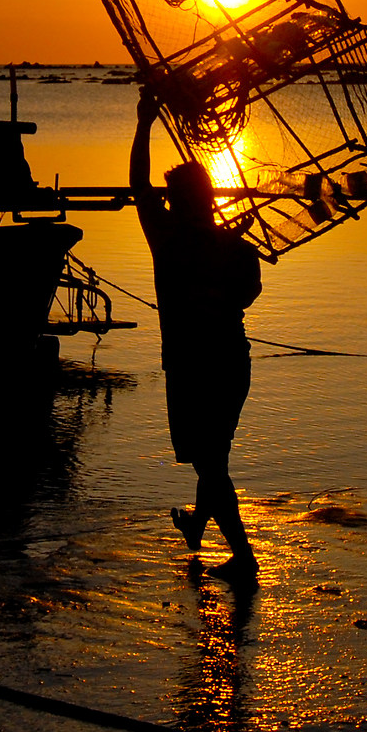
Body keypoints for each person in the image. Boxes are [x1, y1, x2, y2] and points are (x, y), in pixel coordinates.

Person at [133, 92, 264, 581]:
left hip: (193, 367)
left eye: (170, 197)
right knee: (215, 457)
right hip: (233, 361)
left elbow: (136, 185)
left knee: (209, 462)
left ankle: (244, 559)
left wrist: (144, 123)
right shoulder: (233, 243)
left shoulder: (166, 237)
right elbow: (250, 291)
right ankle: (195, 525)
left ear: (178, 202)